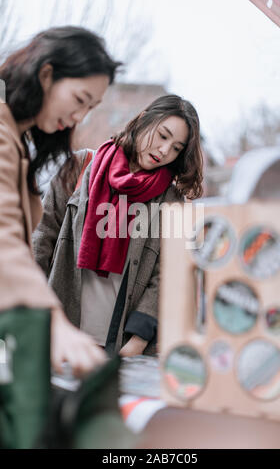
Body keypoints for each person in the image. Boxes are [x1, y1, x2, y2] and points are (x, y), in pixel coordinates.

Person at [33, 94, 204, 358]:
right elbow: (41, 238)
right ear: (144, 120)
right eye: (162, 135)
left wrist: (136, 342)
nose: (164, 151)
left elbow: (171, 274)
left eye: (177, 148)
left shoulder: (173, 201)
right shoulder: (79, 167)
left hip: (124, 346)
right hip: (61, 333)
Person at [0, 25, 121, 377]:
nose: (80, 117)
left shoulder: (18, 139)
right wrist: (52, 321)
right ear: (46, 74)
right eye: (80, 100)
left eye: (92, 108)